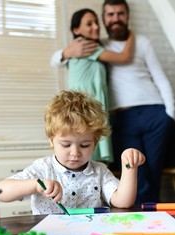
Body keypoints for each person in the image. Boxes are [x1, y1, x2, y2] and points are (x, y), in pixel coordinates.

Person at [51, 0, 175, 205]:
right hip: (122, 117)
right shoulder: (96, 45)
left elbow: (160, 77)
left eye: (120, 13)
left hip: (155, 112)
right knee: (134, 168)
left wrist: (170, 112)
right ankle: (137, 213)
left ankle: (153, 217)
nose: (115, 18)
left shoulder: (142, 42)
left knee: (154, 168)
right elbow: (57, 60)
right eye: (110, 15)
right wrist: (65, 52)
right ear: (105, 19)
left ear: (127, 16)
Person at [0, 90, 145, 215]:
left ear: (95, 143)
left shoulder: (99, 171)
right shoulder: (43, 168)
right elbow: (1, 192)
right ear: (51, 140)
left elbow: (124, 202)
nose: (75, 153)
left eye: (85, 145)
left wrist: (129, 167)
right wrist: (35, 185)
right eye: (66, 145)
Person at [51, 8, 134, 163]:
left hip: (92, 108)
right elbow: (125, 57)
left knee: (91, 157)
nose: (96, 27)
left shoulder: (87, 47)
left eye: (96, 22)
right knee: (87, 153)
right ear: (76, 30)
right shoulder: (86, 46)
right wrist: (132, 35)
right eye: (89, 23)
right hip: (85, 110)